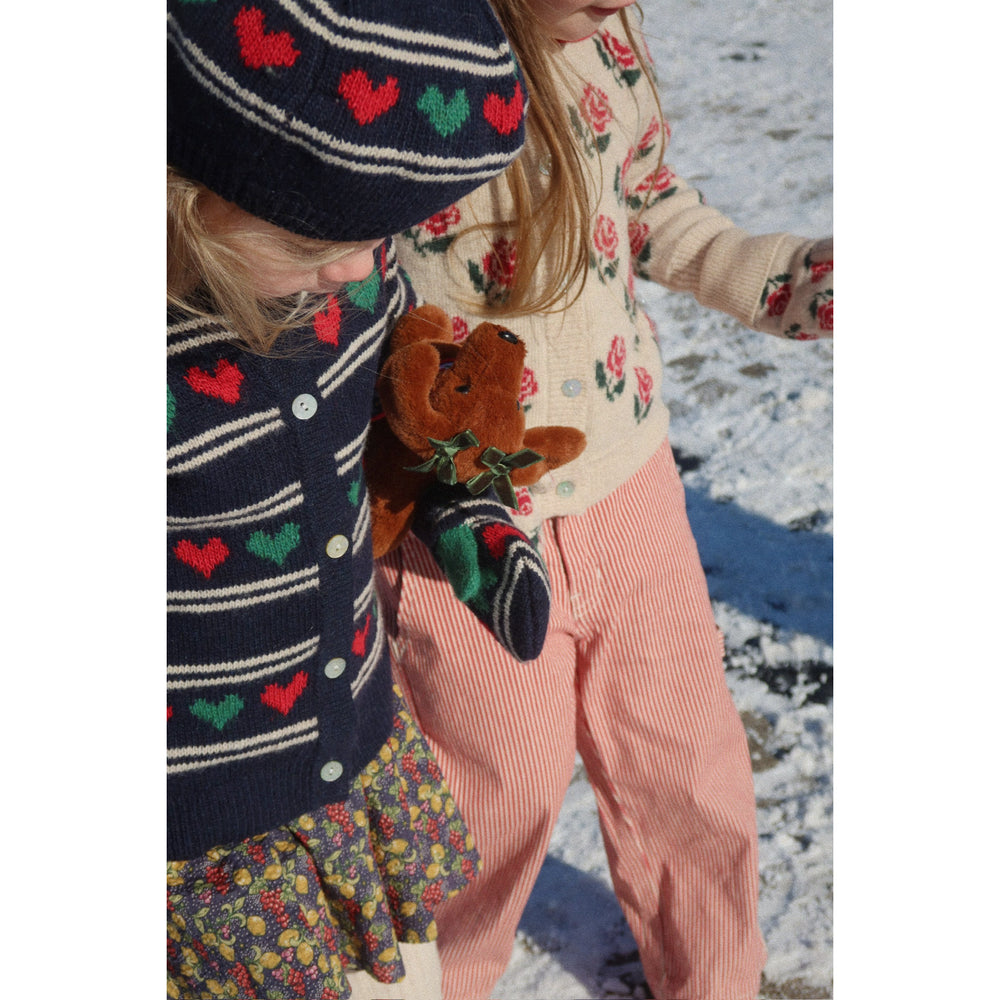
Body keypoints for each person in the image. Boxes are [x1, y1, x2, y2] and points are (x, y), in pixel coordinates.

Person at [377, 2, 834, 999]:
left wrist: (779, 280)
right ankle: (438, 977)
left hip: (628, 480)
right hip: (467, 519)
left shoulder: (607, 38)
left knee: (686, 757)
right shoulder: (397, 50)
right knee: (491, 784)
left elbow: (647, 201)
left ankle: (714, 975)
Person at [165, 1, 532, 997]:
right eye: (310, 238)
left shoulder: (353, 278)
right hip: (203, 842)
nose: (360, 267)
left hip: (350, 751)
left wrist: (462, 500)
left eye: (385, 235)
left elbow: (399, 410)